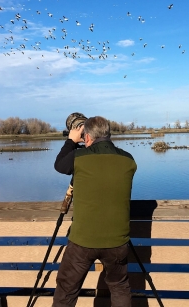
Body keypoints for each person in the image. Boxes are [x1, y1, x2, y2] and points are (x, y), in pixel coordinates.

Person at [52, 115, 137, 307]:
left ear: (87, 137)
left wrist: (71, 141)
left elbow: (60, 165)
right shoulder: (128, 160)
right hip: (117, 241)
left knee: (67, 289)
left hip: (83, 241)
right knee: (119, 286)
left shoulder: (79, 158)